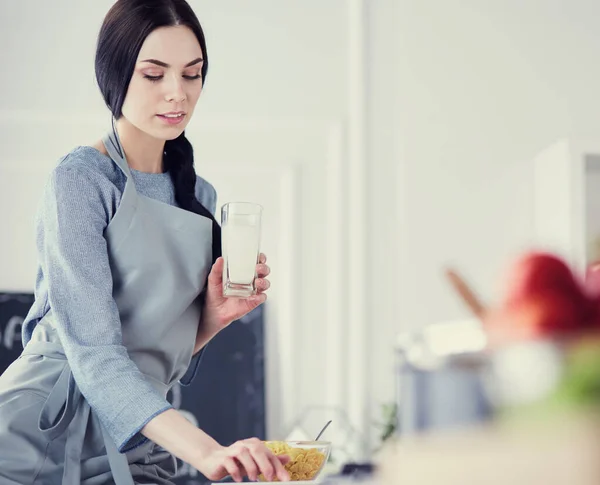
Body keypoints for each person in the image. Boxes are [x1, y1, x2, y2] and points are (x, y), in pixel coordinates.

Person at [0, 0, 290, 483]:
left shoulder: (199, 194)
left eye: (191, 74)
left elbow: (152, 358)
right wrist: (208, 452)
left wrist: (211, 320)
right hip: (43, 435)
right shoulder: (81, 180)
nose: (177, 94)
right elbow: (95, 354)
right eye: (154, 75)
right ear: (115, 76)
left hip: (136, 435)